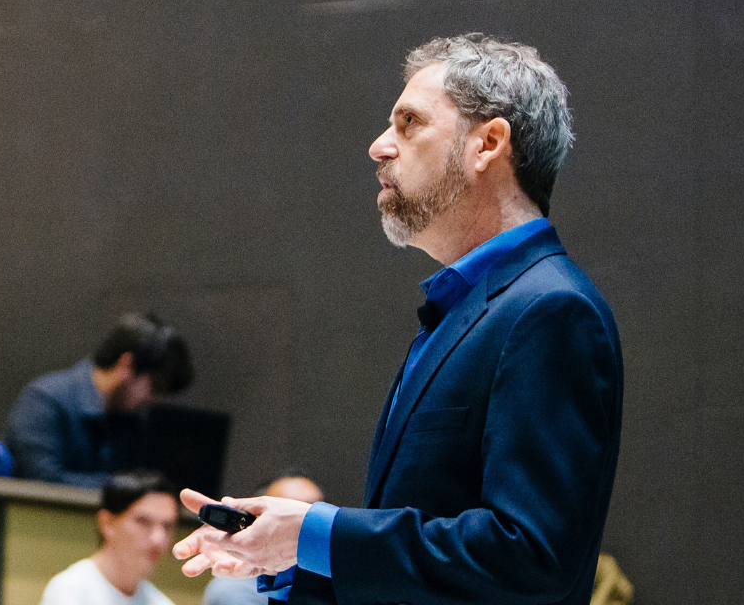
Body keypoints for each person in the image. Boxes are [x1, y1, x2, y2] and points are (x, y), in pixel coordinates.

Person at [173, 34, 622, 605]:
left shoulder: (550, 310)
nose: (379, 146)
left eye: (410, 123)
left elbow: (530, 557)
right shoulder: (467, 307)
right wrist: (293, 557)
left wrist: (319, 533)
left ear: (487, 143)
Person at [7, 313, 193, 487]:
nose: (154, 400)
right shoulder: (44, 400)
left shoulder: (129, 419)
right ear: (126, 364)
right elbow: (42, 482)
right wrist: (122, 488)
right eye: (155, 387)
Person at [39, 470, 179, 605]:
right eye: (143, 522)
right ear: (107, 522)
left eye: (167, 526)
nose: (158, 539)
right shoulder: (69, 591)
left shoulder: (160, 602)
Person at [204, 473, 323, 605]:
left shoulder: (333, 577)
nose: (301, 525)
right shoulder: (233, 589)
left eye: (309, 511)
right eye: (287, 515)